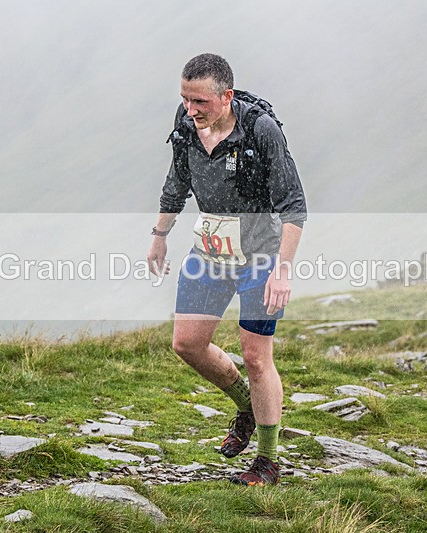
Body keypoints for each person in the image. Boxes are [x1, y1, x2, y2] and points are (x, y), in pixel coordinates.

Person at [147, 53, 307, 486]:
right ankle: (245, 407)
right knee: (187, 343)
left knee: (257, 357)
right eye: (184, 99)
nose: (190, 110)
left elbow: (294, 207)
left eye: (199, 101)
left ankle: (268, 461)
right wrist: (159, 235)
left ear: (226, 96)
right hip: (212, 252)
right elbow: (176, 182)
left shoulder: (261, 131)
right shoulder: (186, 128)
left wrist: (283, 271)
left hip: (260, 257)